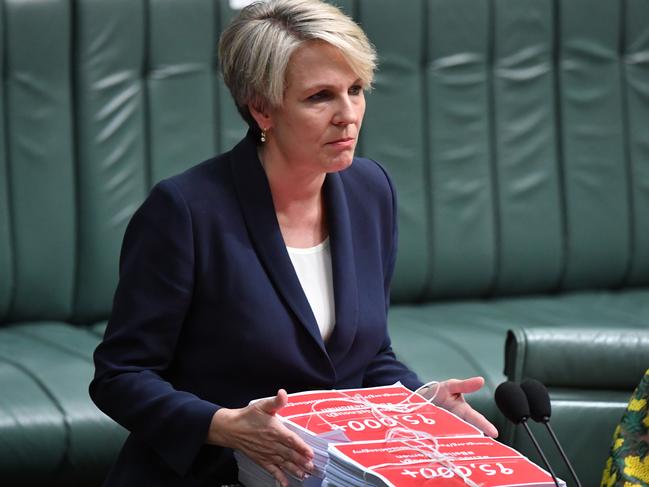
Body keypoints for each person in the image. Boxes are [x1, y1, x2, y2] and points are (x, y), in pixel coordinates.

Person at [90, 1, 498, 486]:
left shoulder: (371, 191)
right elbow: (121, 376)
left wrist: (419, 403)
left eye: (356, 90)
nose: (348, 115)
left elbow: (367, 356)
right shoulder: (185, 211)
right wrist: (225, 427)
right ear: (262, 108)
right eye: (320, 97)